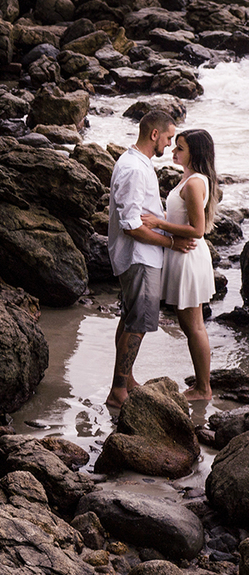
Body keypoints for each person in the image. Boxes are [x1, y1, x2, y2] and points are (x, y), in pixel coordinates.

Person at [105, 110, 196, 410]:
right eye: (168, 138)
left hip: (139, 257)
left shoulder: (136, 162)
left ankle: (126, 380)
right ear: (154, 134)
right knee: (138, 323)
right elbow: (131, 226)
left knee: (130, 317)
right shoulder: (134, 168)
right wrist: (171, 242)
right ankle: (118, 389)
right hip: (139, 258)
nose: (170, 144)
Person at [138, 129, 219, 401]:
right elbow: (178, 215)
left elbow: (197, 229)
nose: (173, 151)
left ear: (195, 153)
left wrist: (158, 223)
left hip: (188, 257)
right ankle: (202, 385)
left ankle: (204, 388)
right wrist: (158, 218)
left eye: (180, 148)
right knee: (190, 325)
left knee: (193, 326)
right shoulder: (188, 177)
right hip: (181, 255)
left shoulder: (194, 183)